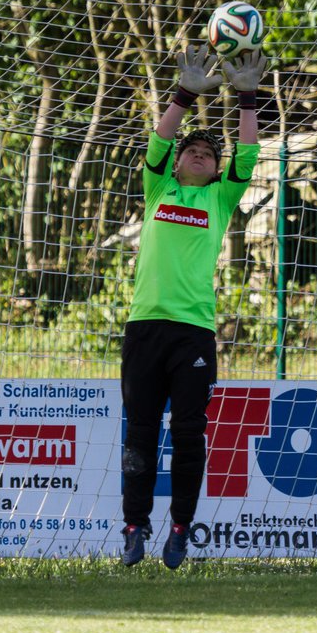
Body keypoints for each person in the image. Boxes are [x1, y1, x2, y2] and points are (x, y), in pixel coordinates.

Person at [120, 44, 267, 568]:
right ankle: (134, 527)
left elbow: (247, 155)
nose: (200, 153)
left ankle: (180, 528)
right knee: (138, 434)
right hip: (144, 329)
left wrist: (247, 97)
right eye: (192, 149)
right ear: (177, 164)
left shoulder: (220, 200)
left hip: (193, 334)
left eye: (209, 151)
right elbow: (159, 139)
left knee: (187, 435)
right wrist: (183, 95)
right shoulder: (157, 188)